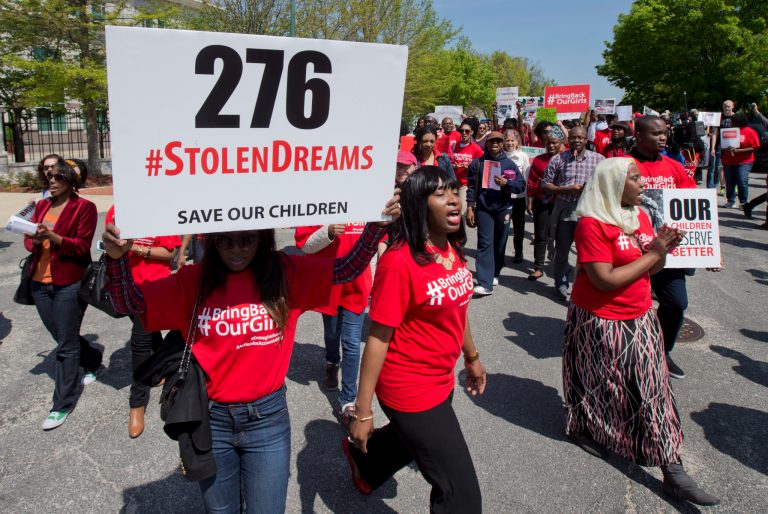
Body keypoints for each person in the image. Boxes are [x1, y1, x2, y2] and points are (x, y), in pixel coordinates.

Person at [102, 197, 400, 513]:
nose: (237, 250)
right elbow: (128, 304)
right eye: (225, 241)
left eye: (247, 240)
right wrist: (116, 259)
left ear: (263, 238)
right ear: (211, 241)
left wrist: (375, 229)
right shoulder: (195, 281)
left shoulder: (286, 272)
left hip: (268, 421)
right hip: (212, 420)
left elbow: (347, 269)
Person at [563, 157, 720, 507]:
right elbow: (604, 280)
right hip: (599, 318)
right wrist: (655, 253)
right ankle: (584, 428)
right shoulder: (591, 225)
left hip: (639, 317)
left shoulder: (640, 216)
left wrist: (663, 249)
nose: (643, 184)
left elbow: (654, 265)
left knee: (652, 389)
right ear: (614, 185)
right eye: (634, 179)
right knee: (594, 380)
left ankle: (672, 471)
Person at [344, 166, 486, 513]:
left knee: (412, 441)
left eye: (454, 190)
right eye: (440, 193)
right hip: (407, 386)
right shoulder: (398, 262)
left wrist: (471, 357)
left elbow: (457, 306)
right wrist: (363, 412)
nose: (453, 198)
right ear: (417, 204)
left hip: (440, 377)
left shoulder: (450, 248)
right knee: (461, 495)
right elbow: (377, 338)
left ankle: (366, 462)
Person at [24, 158, 101, 430]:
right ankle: (92, 359)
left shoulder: (84, 207)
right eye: (50, 177)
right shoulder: (42, 206)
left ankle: (61, 405)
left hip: (68, 283)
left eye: (58, 177)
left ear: (71, 181)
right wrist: (32, 238)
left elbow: (82, 247)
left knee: (65, 346)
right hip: (38, 282)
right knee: (61, 335)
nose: (52, 181)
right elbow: (28, 239)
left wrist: (54, 237)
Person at [105, 206, 182, 438]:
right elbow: (109, 248)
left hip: (153, 288)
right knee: (151, 334)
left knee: (139, 343)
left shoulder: (157, 208)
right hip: (124, 287)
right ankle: (161, 370)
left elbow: (170, 253)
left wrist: (135, 248)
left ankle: (136, 403)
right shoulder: (114, 211)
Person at [630, 115, 698, 379]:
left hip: (668, 252)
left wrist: (713, 249)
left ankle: (662, 349)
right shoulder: (622, 166)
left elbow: (694, 207)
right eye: (656, 133)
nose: (663, 137)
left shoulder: (674, 167)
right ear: (638, 135)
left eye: (665, 133)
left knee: (676, 303)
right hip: (632, 251)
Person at [294, 221, 372, 425]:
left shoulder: (364, 202)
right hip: (329, 283)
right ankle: (332, 361)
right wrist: (326, 232)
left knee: (352, 343)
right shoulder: (321, 204)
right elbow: (304, 244)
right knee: (331, 334)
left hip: (357, 286)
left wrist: (380, 275)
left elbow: (377, 240)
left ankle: (348, 401)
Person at [542, 126, 604, 300]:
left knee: (589, 252)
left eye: (580, 137)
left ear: (586, 140)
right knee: (562, 250)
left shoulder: (599, 160)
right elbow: (545, 184)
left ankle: (586, 284)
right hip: (565, 210)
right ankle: (561, 283)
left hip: (590, 211)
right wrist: (565, 189)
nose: (577, 140)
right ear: (568, 140)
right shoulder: (558, 159)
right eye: (573, 137)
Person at [466, 131, 525, 296]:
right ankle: (485, 283)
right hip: (484, 209)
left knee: (500, 243)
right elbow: (471, 187)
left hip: (503, 209)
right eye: (491, 142)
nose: (495, 144)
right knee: (485, 243)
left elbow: (521, 186)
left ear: (502, 144)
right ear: (487, 143)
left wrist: (508, 183)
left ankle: (495, 272)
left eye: (498, 142)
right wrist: (470, 207)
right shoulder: (477, 163)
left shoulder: (509, 164)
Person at [526, 133, 561, 280]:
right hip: (542, 201)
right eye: (548, 143)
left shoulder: (567, 159)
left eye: (554, 143)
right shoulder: (539, 160)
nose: (551, 146)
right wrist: (529, 200)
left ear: (561, 143)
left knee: (561, 235)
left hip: (561, 202)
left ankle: (560, 266)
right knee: (540, 234)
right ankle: (538, 267)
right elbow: (532, 181)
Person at [503, 129, 531, 263]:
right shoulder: (500, 156)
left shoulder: (523, 156)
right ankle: (500, 251)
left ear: (517, 141)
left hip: (519, 197)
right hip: (504, 197)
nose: (509, 143)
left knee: (519, 227)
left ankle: (518, 251)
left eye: (512, 140)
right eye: (507, 140)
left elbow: (526, 178)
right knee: (502, 226)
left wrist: (528, 198)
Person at [721, 112, 760, 209]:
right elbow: (722, 146)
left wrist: (738, 151)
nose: (731, 123)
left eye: (733, 121)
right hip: (729, 161)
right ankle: (730, 200)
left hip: (744, 161)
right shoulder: (728, 131)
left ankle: (743, 202)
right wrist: (727, 149)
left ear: (738, 122)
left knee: (742, 180)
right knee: (730, 182)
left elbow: (755, 147)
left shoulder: (749, 132)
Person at [450, 121, 484, 214]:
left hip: (466, 184)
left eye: (467, 131)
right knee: (452, 211)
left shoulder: (476, 148)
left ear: (472, 132)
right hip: (453, 183)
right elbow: (449, 163)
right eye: (462, 131)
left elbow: (481, 165)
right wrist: (454, 166)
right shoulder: (453, 146)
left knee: (461, 212)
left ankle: (461, 228)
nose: (464, 133)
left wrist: (470, 167)